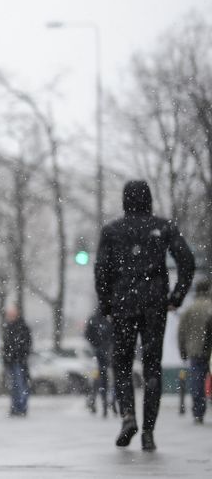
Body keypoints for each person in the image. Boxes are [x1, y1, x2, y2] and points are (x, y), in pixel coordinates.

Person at [95, 180, 195, 451]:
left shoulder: (112, 231)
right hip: (155, 305)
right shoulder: (163, 227)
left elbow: (101, 271)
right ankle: (149, 432)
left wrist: (106, 305)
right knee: (153, 366)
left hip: (123, 305)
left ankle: (128, 416)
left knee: (123, 363)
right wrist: (175, 297)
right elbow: (186, 261)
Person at [177, 278, 212, 424]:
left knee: (196, 380)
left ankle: (198, 411)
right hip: (210, 351)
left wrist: (183, 350)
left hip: (194, 350)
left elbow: (181, 332)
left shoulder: (190, 310)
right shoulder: (210, 306)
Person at [1, 306, 33, 417]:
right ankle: (16, 407)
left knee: (19, 385)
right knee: (15, 385)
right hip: (14, 361)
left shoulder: (20, 327)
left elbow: (25, 345)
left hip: (18, 361)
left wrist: (17, 355)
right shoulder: (10, 327)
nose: (9, 317)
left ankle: (20, 407)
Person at [83, 310, 115, 417]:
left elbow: (87, 334)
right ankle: (110, 404)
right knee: (110, 379)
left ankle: (103, 403)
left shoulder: (95, 318)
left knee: (100, 379)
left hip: (100, 353)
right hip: (106, 353)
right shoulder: (109, 317)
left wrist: (96, 345)